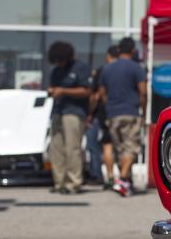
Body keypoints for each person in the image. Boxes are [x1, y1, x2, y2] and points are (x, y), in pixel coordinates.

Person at [99, 37, 146, 197]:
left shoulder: (107, 69)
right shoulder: (136, 68)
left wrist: (109, 107)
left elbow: (102, 93)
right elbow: (143, 92)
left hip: (113, 113)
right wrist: (143, 111)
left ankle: (125, 183)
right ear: (133, 51)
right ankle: (123, 179)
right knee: (131, 147)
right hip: (130, 112)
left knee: (120, 149)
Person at [46, 41, 91, 194]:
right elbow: (54, 89)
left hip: (74, 112)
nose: (59, 63)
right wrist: (52, 91)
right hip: (58, 112)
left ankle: (74, 183)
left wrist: (63, 91)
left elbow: (86, 91)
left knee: (73, 148)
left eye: (61, 60)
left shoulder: (81, 68)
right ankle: (59, 182)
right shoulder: (56, 71)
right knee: (56, 149)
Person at [87, 45, 119, 188]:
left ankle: (109, 176)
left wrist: (90, 113)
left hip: (106, 113)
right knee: (123, 146)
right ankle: (125, 176)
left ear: (108, 56)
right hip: (126, 111)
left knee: (106, 145)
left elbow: (97, 95)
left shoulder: (103, 70)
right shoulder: (130, 68)